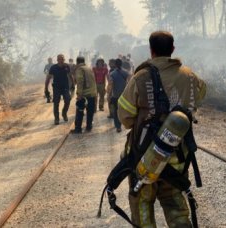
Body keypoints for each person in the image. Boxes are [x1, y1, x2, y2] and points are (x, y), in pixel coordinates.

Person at [117, 31, 206, 227]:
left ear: (151, 50)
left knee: (142, 205)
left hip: (144, 159)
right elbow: (199, 97)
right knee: (176, 207)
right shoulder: (189, 76)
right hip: (178, 159)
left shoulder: (140, 77)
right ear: (173, 49)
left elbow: (125, 117)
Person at [71, 56, 97, 134]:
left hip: (84, 94)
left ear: (77, 62)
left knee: (80, 111)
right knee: (90, 111)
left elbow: (80, 82)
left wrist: (79, 94)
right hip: (92, 93)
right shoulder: (88, 68)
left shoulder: (80, 69)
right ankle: (89, 126)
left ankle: (78, 129)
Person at [45, 54, 73, 125]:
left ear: (64, 60)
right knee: (56, 103)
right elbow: (48, 78)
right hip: (56, 88)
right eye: (60, 59)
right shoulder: (53, 68)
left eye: (62, 59)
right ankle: (56, 118)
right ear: (57, 60)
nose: (61, 60)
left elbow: (70, 75)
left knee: (68, 100)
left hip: (65, 87)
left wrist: (73, 84)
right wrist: (46, 88)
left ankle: (64, 113)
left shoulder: (67, 66)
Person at [107, 58, 128, 132]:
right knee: (122, 110)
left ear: (115, 65)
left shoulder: (112, 74)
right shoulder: (126, 73)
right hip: (124, 96)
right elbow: (129, 84)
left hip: (115, 96)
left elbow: (110, 85)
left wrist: (109, 96)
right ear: (121, 64)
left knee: (116, 111)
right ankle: (124, 123)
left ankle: (118, 126)